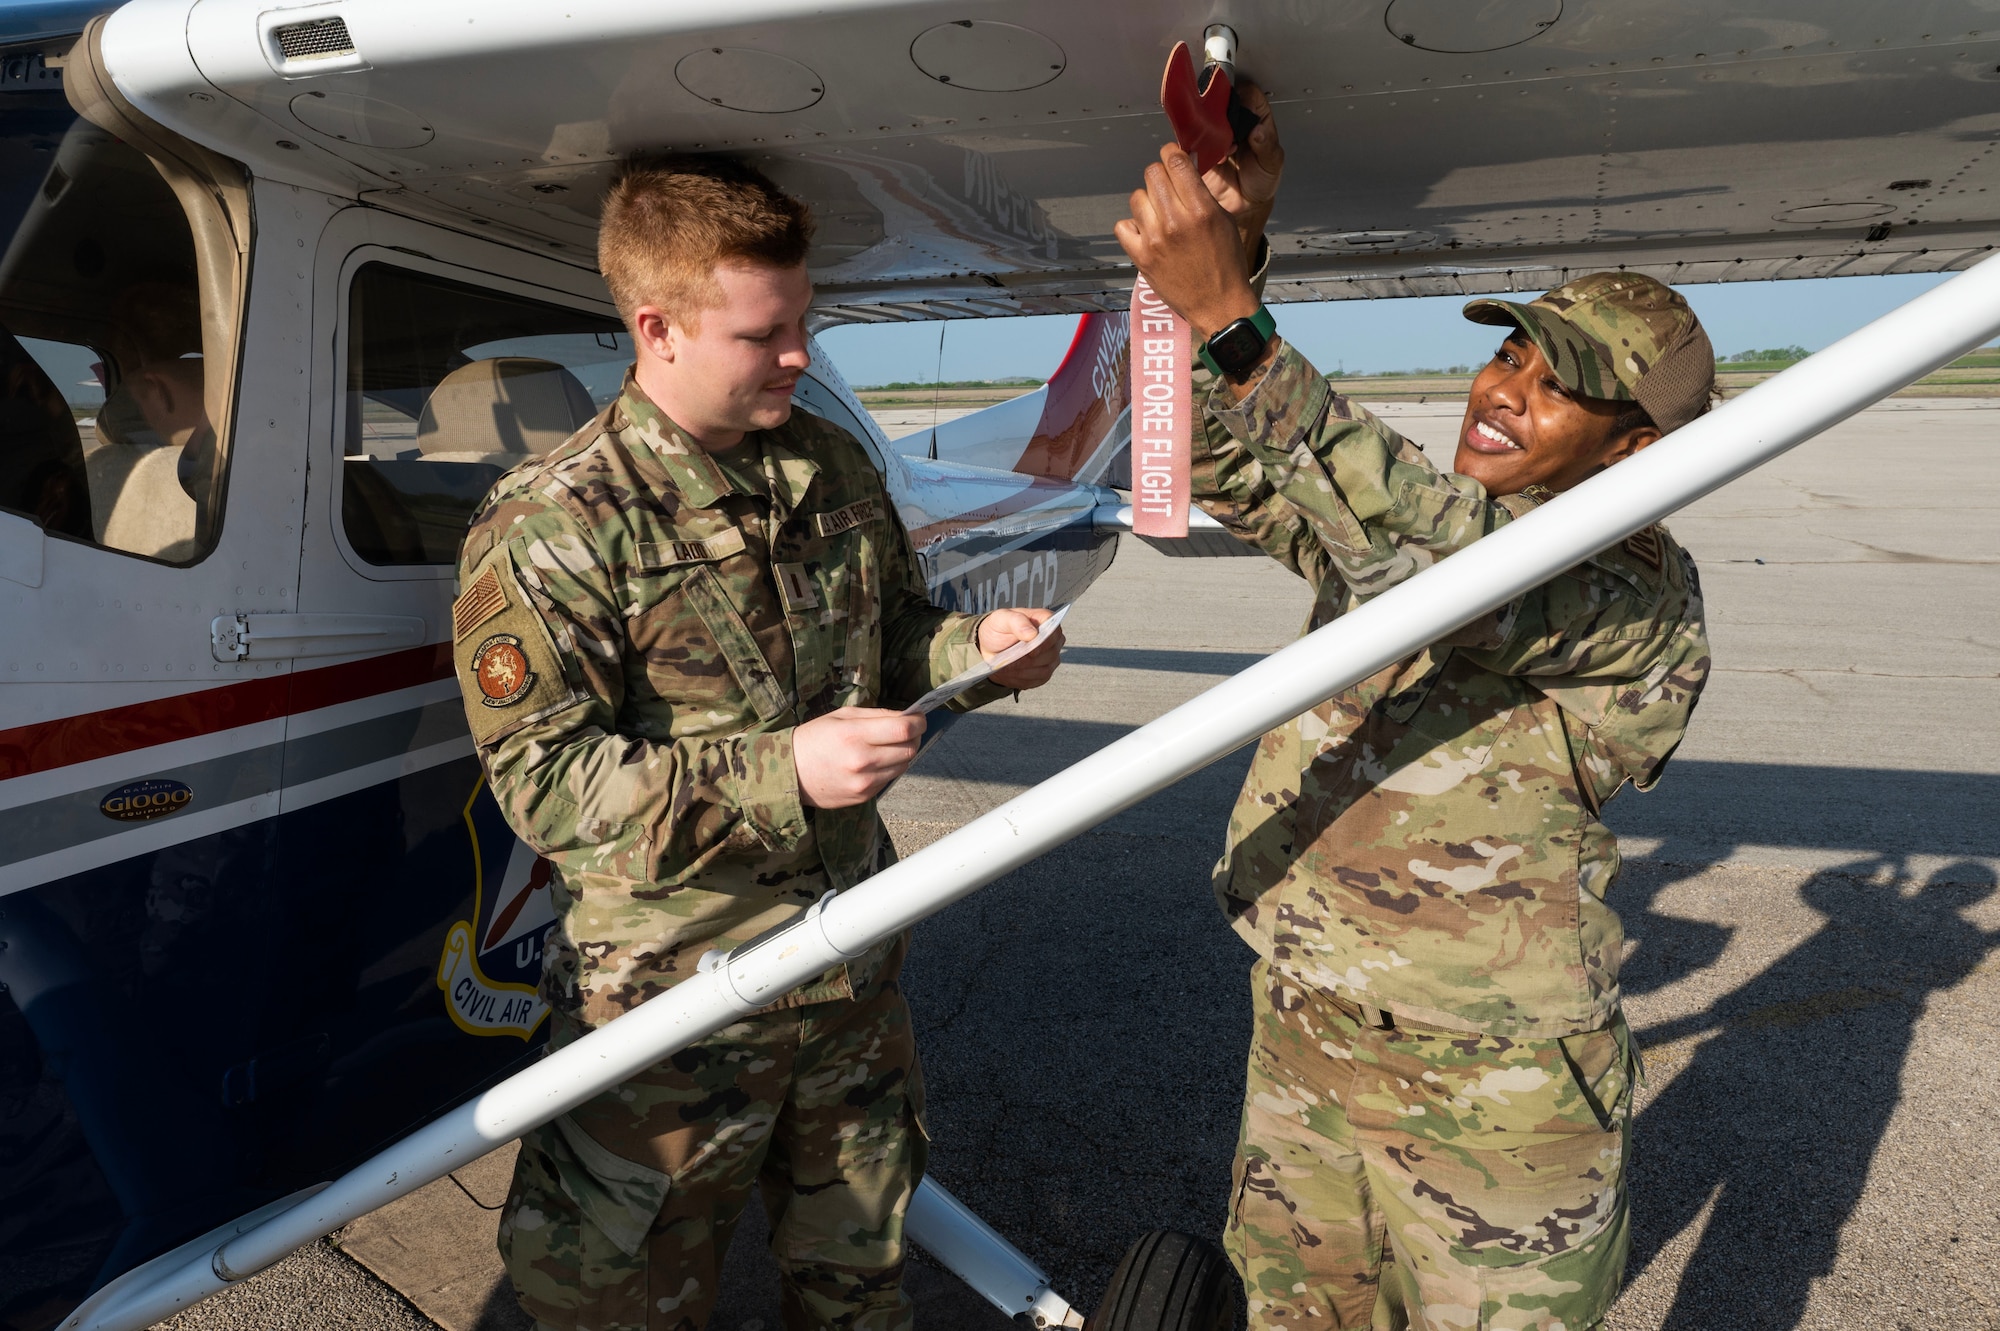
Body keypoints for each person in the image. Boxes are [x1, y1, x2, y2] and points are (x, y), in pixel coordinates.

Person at [1116, 89, 1713, 1330]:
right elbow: (1219, 462)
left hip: (1490, 1089)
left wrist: (1233, 312)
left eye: (1560, 386)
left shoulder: (1634, 592)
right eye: (1509, 352)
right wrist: (1232, 256)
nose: (1503, 390)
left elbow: (1435, 563)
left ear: (1631, 452)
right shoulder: (1411, 526)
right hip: (1306, 1027)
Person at [451, 156, 1063, 1331]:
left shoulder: (822, 468)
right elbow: (545, 783)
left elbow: (893, 644)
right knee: (622, 1303)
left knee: (857, 1288)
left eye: (804, 324)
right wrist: (784, 770)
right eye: (765, 333)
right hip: (672, 1009)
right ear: (656, 328)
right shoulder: (555, 521)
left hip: (845, 977)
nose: (798, 356)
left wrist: (979, 654)